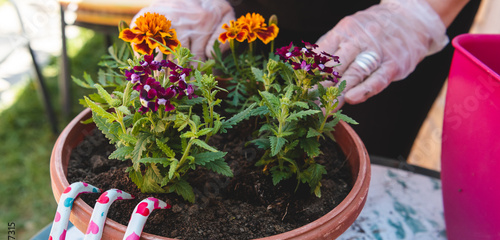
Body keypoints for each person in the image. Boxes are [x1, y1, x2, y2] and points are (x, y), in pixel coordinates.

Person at [132, 0, 482, 159]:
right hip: (255, 11)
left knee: (361, 156)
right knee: (233, 135)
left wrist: (417, 12)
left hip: (390, 25)